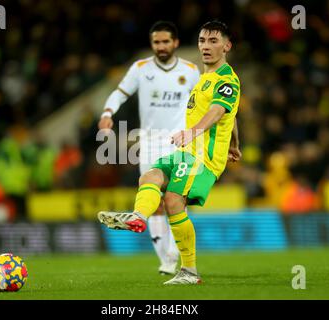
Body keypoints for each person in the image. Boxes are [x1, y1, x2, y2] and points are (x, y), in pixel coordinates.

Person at [98, 20, 242, 285]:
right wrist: (235, 142)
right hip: (187, 151)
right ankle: (138, 218)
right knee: (150, 177)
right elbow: (231, 115)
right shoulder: (204, 78)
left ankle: (188, 271)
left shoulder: (227, 79)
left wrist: (193, 131)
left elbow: (218, 111)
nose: (206, 46)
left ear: (227, 46)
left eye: (213, 41)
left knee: (174, 201)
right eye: (202, 41)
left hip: (203, 156)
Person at [98, 21, 200, 275]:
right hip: (151, 143)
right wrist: (108, 112)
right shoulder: (141, 69)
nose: (161, 46)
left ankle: (176, 252)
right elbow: (120, 92)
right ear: (152, 44)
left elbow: (203, 104)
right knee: (154, 201)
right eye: (157, 42)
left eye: (166, 41)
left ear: (175, 43)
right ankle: (166, 260)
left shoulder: (190, 71)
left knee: (175, 199)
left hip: (180, 142)